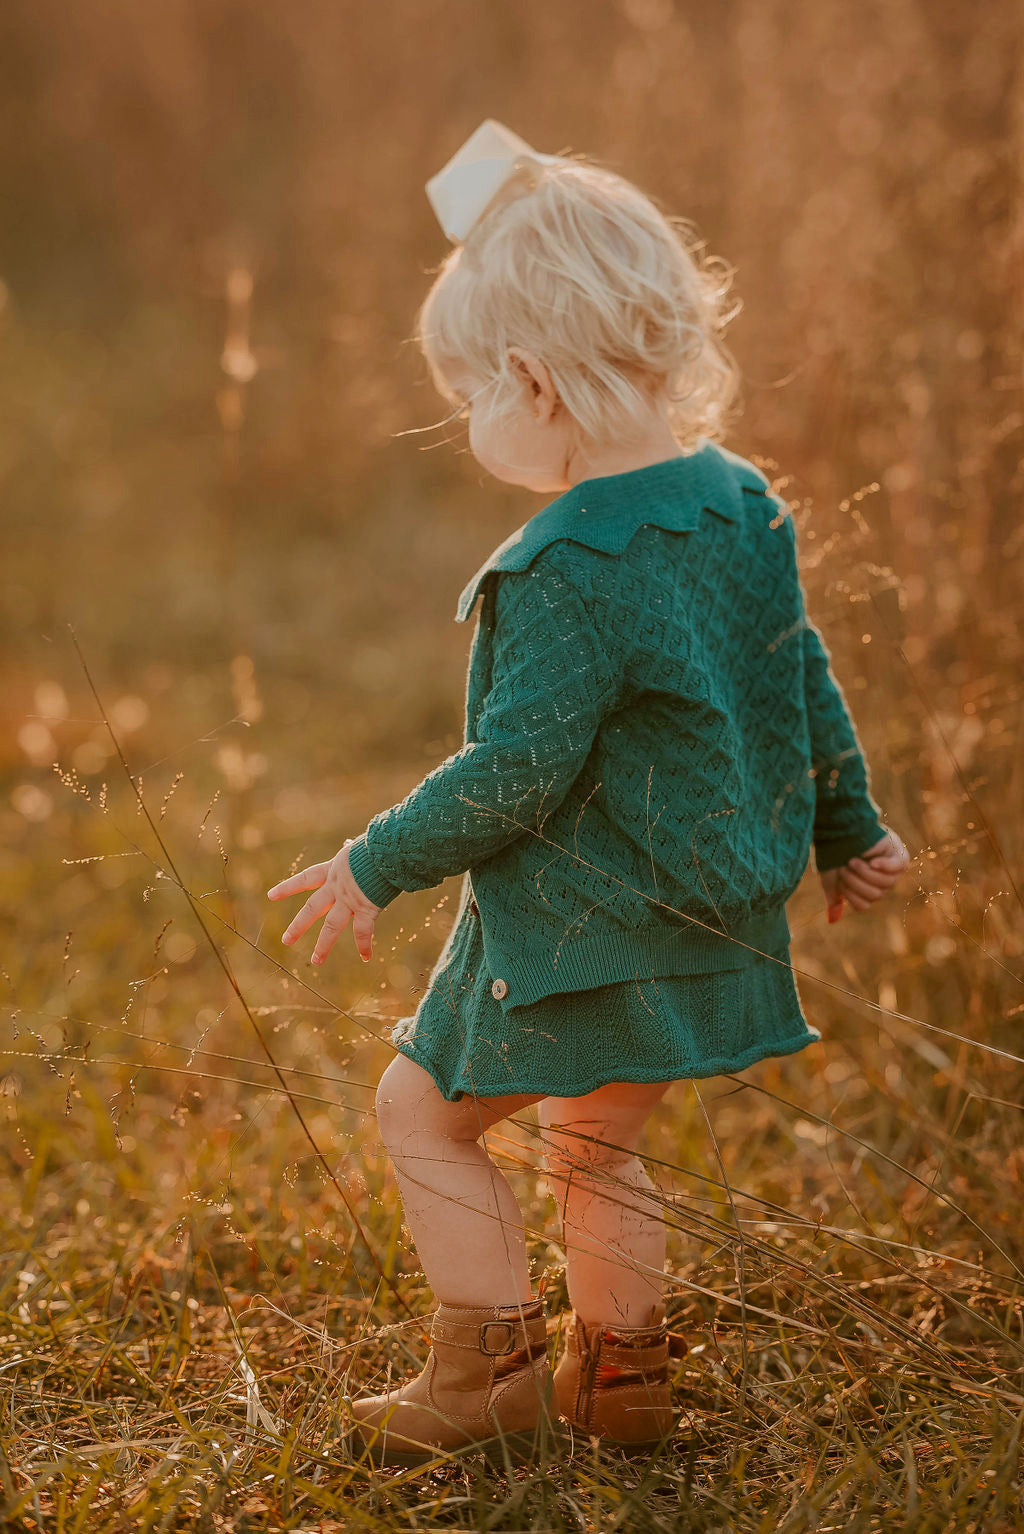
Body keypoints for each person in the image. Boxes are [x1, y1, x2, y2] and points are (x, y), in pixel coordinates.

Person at [267, 120, 911, 1468]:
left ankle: (487, 1363)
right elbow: (796, 672)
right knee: (596, 1146)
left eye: (470, 402)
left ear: (530, 382)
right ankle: (621, 1379)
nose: (471, 427)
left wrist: (374, 861)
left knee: (419, 1109)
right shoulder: (743, 503)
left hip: (583, 933)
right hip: (704, 922)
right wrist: (851, 826)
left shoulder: (567, 568)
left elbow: (517, 772)